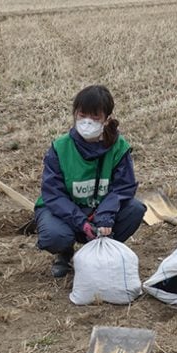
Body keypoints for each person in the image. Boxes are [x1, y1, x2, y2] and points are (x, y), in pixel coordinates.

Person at [34, 85, 146, 278]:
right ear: (75, 114)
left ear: (106, 120)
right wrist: (82, 223)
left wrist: (105, 217)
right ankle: (64, 253)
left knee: (135, 210)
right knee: (55, 236)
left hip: (99, 210)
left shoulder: (119, 148)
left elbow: (123, 188)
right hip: (64, 212)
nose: (87, 122)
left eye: (95, 118)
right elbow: (54, 194)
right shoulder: (60, 148)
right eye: (82, 115)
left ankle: (100, 249)